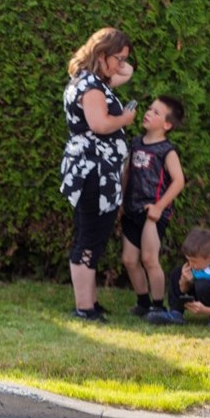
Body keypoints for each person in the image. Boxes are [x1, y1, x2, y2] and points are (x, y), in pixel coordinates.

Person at [59, 27, 135, 322]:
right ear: (101, 55)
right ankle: (84, 308)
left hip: (97, 172)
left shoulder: (92, 80)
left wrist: (114, 58)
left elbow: (127, 72)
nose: (121, 65)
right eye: (118, 58)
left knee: (92, 238)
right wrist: (125, 118)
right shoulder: (91, 86)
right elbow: (99, 124)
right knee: (89, 239)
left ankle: (89, 302)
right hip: (94, 173)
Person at [121, 95, 185, 317]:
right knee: (129, 259)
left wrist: (159, 207)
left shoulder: (167, 150)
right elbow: (127, 173)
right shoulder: (136, 143)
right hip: (131, 210)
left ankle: (158, 307)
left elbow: (178, 181)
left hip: (152, 213)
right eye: (149, 109)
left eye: (156, 112)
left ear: (167, 125)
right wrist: (121, 201)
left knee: (149, 259)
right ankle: (143, 303)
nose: (148, 113)